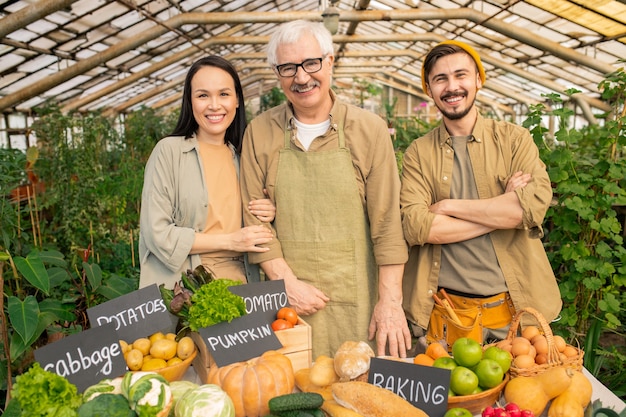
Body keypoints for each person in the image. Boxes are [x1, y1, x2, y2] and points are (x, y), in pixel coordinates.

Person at [239, 20, 411, 358]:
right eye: (288, 68)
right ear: (277, 73)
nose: (301, 77)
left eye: (311, 63)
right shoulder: (259, 132)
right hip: (286, 307)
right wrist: (285, 283)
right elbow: (254, 225)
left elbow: (388, 225)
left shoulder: (369, 130)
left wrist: (390, 302)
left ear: (329, 61)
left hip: (357, 301)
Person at [400, 40, 562, 348]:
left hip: (514, 312)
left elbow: (527, 212)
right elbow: (418, 226)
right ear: (429, 89)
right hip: (445, 314)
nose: (452, 87)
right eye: (440, 79)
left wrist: (448, 206)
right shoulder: (418, 153)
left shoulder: (514, 140)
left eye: (461, 75)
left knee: (520, 394)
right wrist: (500, 212)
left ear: (478, 80)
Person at [139, 56, 275, 290]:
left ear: (238, 101)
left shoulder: (246, 157)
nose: (214, 105)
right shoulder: (169, 152)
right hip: (185, 287)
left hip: (243, 286)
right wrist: (231, 241)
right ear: (190, 102)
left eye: (224, 94)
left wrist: (271, 211)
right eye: (203, 95)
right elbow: (157, 234)